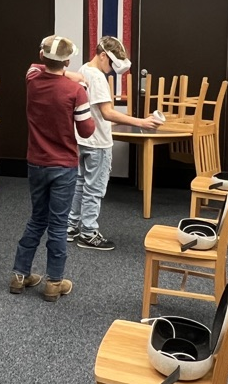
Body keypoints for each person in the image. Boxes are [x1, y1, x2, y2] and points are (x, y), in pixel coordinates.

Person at [10, 35, 95, 302]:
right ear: (68, 61)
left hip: (36, 162)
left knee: (37, 218)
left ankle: (19, 275)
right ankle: (53, 282)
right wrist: (81, 86)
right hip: (63, 166)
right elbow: (87, 129)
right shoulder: (75, 92)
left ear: (43, 56)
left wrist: (66, 72)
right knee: (58, 225)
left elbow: (38, 65)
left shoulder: (32, 80)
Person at [67, 36, 162, 251]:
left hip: (82, 139)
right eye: (110, 64)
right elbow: (108, 113)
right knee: (94, 189)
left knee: (81, 184)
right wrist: (142, 122)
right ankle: (89, 233)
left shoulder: (83, 70)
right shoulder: (98, 78)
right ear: (102, 56)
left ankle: (71, 227)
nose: (110, 71)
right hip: (98, 142)